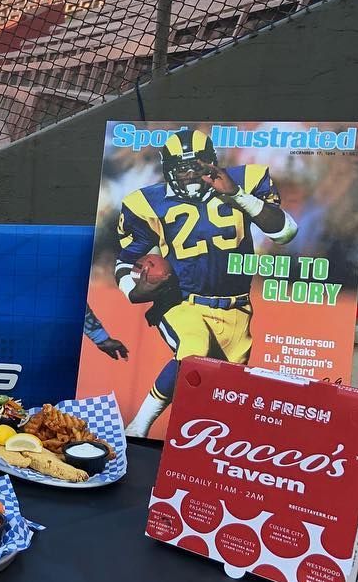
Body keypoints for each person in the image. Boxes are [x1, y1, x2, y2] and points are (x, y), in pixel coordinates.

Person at [115, 129, 298, 437]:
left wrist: (236, 194)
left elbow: (285, 233)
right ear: (168, 171)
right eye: (181, 169)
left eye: (196, 166)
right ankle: (138, 427)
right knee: (193, 349)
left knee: (225, 389)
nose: (189, 175)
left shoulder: (247, 179)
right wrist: (134, 291)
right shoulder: (145, 202)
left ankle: (198, 440)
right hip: (182, 300)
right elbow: (124, 261)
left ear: (212, 162)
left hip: (237, 307)